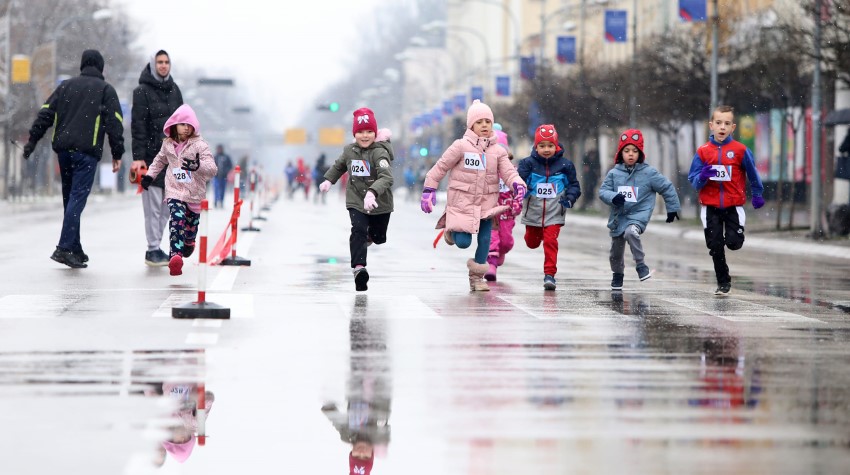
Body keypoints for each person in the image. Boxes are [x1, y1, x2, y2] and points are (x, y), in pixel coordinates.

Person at [23, 49, 125, 269]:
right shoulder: (105, 90)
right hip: (85, 154)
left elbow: (45, 114)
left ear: (81, 65)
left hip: (63, 151)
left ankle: (75, 248)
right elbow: (115, 124)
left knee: (70, 201)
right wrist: (118, 153)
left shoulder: (65, 87)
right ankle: (64, 248)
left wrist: (32, 141)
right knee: (76, 200)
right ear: (101, 67)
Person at [421, 100, 526, 291]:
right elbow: (441, 167)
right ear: (471, 125)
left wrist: (518, 184)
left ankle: (477, 278)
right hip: (462, 203)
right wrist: (429, 190)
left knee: (485, 239)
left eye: (488, 121)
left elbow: (509, 172)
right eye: (480, 122)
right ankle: (451, 231)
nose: (484, 125)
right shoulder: (460, 146)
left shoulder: (498, 151)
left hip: (487, 205)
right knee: (463, 243)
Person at [688, 105, 765, 296]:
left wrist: (757, 193)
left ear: (733, 127)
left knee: (733, 244)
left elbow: (753, 173)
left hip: (733, 206)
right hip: (710, 206)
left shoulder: (740, 150)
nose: (722, 127)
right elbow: (694, 181)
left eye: (727, 123)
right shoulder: (703, 151)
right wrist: (703, 176)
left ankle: (735, 236)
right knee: (715, 246)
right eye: (719, 123)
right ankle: (723, 282)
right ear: (711, 126)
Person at [319, 107, 394, 291]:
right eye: (360, 132)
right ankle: (359, 269)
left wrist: (373, 192)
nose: (365, 135)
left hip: (379, 202)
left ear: (375, 133)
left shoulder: (380, 152)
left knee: (378, 237)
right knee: (358, 229)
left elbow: (387, 177)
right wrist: (329, 180)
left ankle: (370, 235)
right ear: (355, 134)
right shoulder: (350, 151)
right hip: (356, 200)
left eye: (369, 131)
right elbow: (338, 166)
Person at [598, 129, 681, 291]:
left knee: (631, 233)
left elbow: (666, 187)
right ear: (621, 153)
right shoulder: (614, 173)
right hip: (618, 218)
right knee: (615, 252)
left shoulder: (649, 173)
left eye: (635, 151)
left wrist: (672, 208)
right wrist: (613, 196)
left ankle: (641, 265)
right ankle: (617, 274)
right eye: (627, 151)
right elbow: (603, 191)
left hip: (638, 216)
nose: (630, 154)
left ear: (640, 153)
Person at [141, 104, 217, 277]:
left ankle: (188, 243)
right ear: (174, 124)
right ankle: (175, 256)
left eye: (189, 125)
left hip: (194, 194)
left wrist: (197, 166)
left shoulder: (200, 145)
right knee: (176, 219)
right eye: (183, 124)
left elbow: (212, 169)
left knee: (190, 228)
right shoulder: (167, 144)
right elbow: (159, 161)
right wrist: (149, 176)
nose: (186, 128)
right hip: (174, 191)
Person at [131, 50, 184, 266]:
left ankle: (157, 246)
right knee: (152, 208)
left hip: (173, 159)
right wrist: (138, 157)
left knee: (167, 207)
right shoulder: (141, 91)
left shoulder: (175, 90)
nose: (163, 65)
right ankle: (152, 249)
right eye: (159, 62)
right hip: (151, 158)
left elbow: (184, 124)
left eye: (166, 62)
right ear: (153, 65)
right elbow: (138, 126)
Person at [517, 124, 581, 290]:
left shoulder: (565, 166)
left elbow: (574, 186)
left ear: (556, 146)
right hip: (533, 213)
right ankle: (532, 236)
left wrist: (569, 198)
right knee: (532, 243)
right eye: (542, 146)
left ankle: (550, 275)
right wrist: (521, 192)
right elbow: (518, 182)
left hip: (555, 212)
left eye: (550, 146)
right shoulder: (527, 164)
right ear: (536, 146)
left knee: (551, 241)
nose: (546, 149)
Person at [484, 126, 522, 281]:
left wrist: (517, 203)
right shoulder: (484, 171)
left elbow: (519, 189)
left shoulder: (512, 171)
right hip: (490, 212)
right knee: (491, 238)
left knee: (505, 242)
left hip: (506, 213)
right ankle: (491, 264)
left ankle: (501, 251)